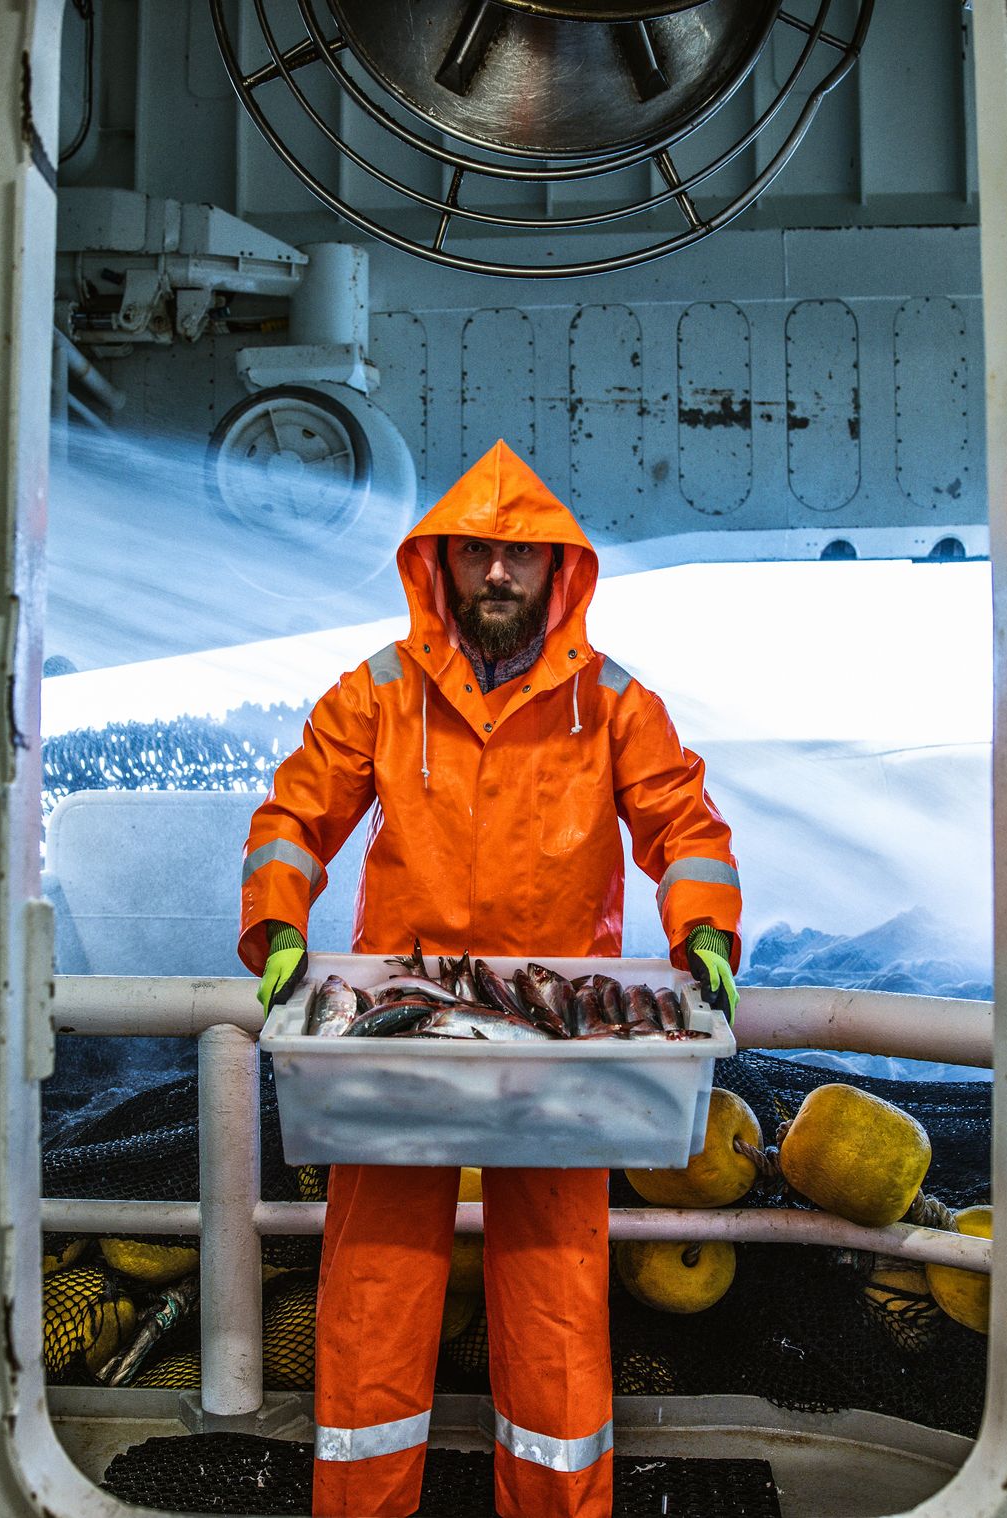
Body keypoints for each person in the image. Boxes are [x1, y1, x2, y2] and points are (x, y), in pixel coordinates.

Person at [238, 439, 741, 1518]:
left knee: (557, 1294)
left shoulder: (614, 706)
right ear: (441, 565)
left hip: (556, 1047)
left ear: (562, 572)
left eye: (520, 558)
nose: (499, 577)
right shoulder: (377, 691)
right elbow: (292, 816)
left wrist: (705, 933)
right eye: (477, 555)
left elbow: (684, 828)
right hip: (397, 1035)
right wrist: (277, 926)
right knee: (373, 1287)